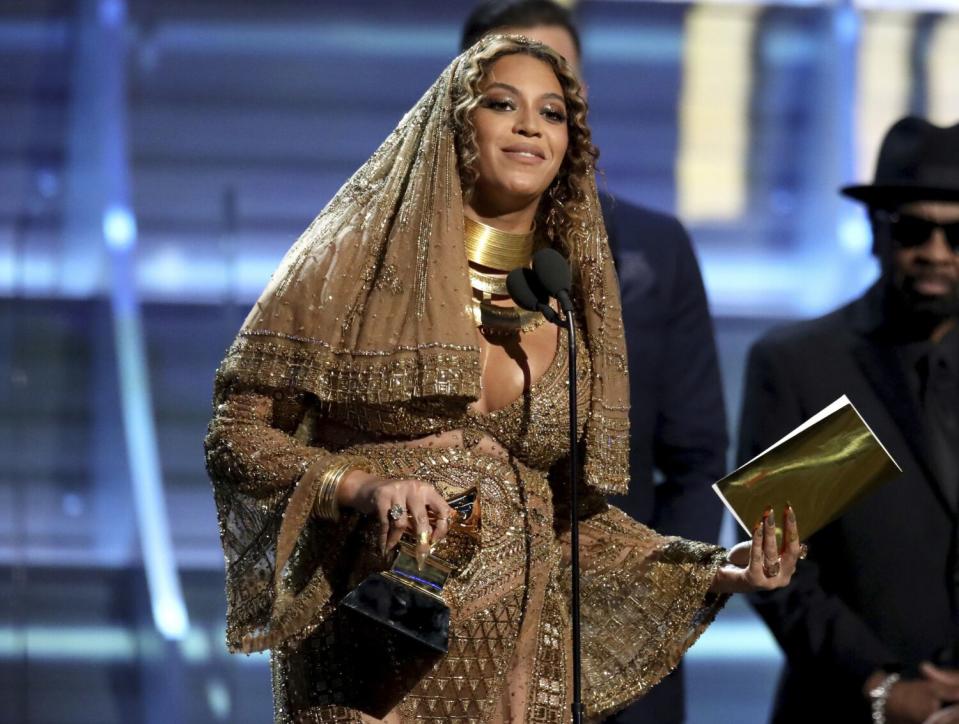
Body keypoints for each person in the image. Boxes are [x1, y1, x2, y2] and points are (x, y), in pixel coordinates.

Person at [206, 35, 799, 724]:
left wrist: (714, 568)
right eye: (501, 104)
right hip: (369, 659)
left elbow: (569, 521)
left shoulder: (562, 303)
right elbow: (236, 437)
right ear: (458, 125)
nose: (529, 126)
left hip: (513, 675)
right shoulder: (347, 267)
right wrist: (362, 487)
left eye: (552, 114)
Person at [461, 5, 728, 721]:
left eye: (555, 94)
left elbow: (696, 456)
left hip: (615, 642)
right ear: (457, 103)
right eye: (502, 94)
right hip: (446, 640)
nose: (529, 121)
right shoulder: (397, 256)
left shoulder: (653, 249)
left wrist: (655, 605)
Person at [738, 117, 959, 724]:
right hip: (843, 708)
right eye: (914, 229)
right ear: (875, 231)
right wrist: (883, 688)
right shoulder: (805, 365)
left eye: (956, 235)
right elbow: (782, 567)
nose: (935, 252)